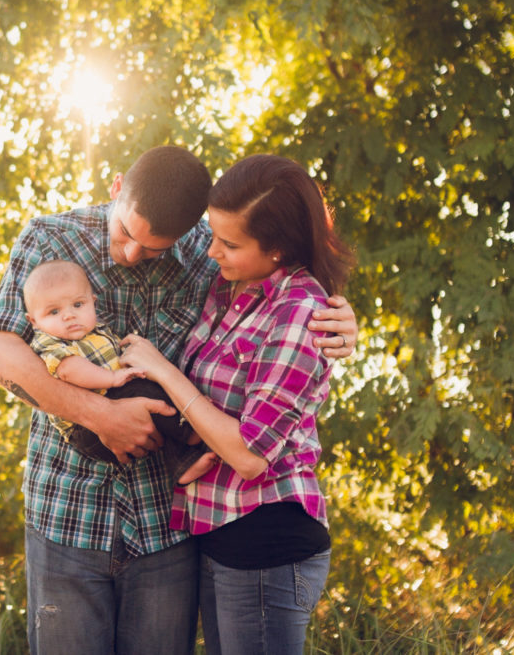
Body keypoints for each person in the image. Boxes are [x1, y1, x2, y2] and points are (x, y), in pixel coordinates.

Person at [0, 145, 358, 654]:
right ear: (116, 188)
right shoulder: (50, 239)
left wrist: (341, 321)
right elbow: (0, 355)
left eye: (154, 249)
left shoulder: (211, 255)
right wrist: (103, 415)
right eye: (126, 235)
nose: (133, 254)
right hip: (68, 511)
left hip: (167, 525)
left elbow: (282, 287)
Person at [119, 153, 355, 654]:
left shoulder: (300, 314)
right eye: (213, 234)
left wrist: (163, 369)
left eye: (228, 244)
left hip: (267, 538)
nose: (211, 252)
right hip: (220, 532)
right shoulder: (232, 288)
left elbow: (250, 455)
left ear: (278, 250)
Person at [22, 258, 217, 484]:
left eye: (77, 305)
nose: (69, 315)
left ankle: (182, 465)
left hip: (114, 403)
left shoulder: (98, 332)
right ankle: (190, 427)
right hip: (86, 429)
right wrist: (113, 378)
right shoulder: (50, 342)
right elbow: (69, 370)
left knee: (149, 398)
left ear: (93, 302)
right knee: (142, 391)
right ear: (33, 321)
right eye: (54, 311)